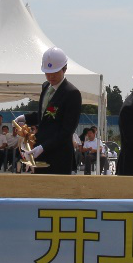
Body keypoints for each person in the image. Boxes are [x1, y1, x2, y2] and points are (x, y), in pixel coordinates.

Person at [24, 46, 83, 175]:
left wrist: (44, 147)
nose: (50, 76)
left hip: (59, 156)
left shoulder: (72, 93)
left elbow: (67, 130)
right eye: (47, 73)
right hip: (40, 151)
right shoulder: (46, 87)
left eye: (55, 72)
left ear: (64, 69)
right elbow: (45, 115)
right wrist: (25, 118)